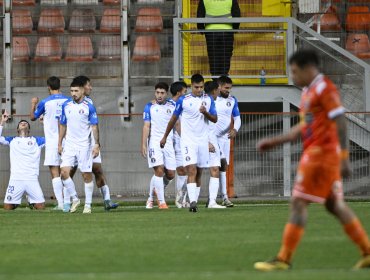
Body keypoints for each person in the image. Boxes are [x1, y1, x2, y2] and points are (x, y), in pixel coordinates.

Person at [254, 50, 370, 271]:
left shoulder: (324, 88)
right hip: (319, 154)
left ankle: (283, 259)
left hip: (320, 155)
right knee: (335, 205)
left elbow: (341, 121)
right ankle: (367, 251)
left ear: (308, 68)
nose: (293, 77)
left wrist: (344, 157)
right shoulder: (309, 91)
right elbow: (305, 126)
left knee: (298, 202)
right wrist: (275, 140)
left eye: (295, 71)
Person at [160, 74, 217, 212]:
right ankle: (192, 203)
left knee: (199, 173)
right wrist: (165, 137)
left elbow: (214, 119)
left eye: (201, 87)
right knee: (191, 169)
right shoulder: (183, 100)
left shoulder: (208, 100)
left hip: (202, 141)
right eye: (196, 87)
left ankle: (194, 200)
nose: (199, 89)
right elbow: (173, 119)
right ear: (191, 86)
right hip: (188, 141)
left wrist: (205, 113)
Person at [68, 76, 118, 211]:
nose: (91, 87)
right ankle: (68, 202)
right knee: (69, 171)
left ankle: (107, 200)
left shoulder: (88, 102)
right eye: (89, 85)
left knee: (97, 169)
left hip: (89, 144)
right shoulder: (71, 103)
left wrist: (96, 144)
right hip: (75, 144)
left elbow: (93, 125)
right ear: (83, 88)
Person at [58, 79, 100, 214]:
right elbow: (63, 125)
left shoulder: (89, 106)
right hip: (69, 144)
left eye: (76, 91)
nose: (73, 93)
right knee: (63, 173)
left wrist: (96, 144)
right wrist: (59, 143)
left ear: (82, 91)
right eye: (71, 91)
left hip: (84, 145)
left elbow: (94, 126)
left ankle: (88, 205)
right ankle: (75, 199)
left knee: (86, 175)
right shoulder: (66, 105)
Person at [30, 76, 69, 210]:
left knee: (55, 172)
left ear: (48, 87)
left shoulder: (45, 102)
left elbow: (33, 117)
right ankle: (70, 201)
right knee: (67, 171)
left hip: (52, 141)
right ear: (60, 86)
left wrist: (34, 103)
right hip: (68, 140)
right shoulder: (68, 100)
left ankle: (61, 204)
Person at [0, 112, 46, 210]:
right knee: (7, 208)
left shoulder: (37, 141)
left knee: (40, 207)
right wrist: (2, 122)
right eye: (21, 123)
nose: (23, 123)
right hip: (16, 178)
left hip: (32, 178)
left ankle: (31, 201)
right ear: (17, 129)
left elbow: (52, 139)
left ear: (29, 129)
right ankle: (17, 202)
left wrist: (44, 123)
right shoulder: (12, 140)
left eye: (25, 123)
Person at [142, 82, 176, 209]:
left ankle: (152, 195)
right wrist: (144, 144)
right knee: (159, 170)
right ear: (154, 92)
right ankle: (161, 202)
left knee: (171, 174)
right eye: (157, 92)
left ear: (166, 94)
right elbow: (146, 126)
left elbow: (177, 124)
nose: (159, 95)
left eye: (162, 93)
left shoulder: (172, 105)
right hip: (155, 143)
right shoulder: (149, 106)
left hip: (169, 143)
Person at [214, 75, 241, 207]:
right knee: (218, 164)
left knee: (223, 167)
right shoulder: (211, 99)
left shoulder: (232, 100)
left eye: (230, 88)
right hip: (212, 138)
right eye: (226, 88)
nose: (228, 90)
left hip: (225, 138)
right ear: (219, 86)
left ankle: (223, 197)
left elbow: (237, 118)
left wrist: (235, 129)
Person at [197, 0, 241, 78]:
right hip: (227, 31)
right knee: (226, 55)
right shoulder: (231, 0)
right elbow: (237, 15)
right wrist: (235, 29)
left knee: (213, 55)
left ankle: (215, 78)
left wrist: (201, 29)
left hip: (211, 32)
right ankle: (224, 77)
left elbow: (200, 16)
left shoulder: (204, 1)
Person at [204, 80, 226, 209]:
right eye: (218, 89)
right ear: (214, 91)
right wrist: (207, 142)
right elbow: (199, 125)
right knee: (197, 171)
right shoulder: (207, 102)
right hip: (206, 140)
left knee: (214, 168)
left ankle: (211, 201)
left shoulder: (210, 101)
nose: (220, 91)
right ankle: (210, 201)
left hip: (210, 139)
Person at [169, 81, 189, 208]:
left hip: (181, 141)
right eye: (184, 92)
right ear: (178, 92)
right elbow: (176, 124)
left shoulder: (183, 104)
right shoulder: (169, 104)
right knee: (171, 172)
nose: (186, 94)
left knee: (184, 170)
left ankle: (182, 199)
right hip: (173, 142)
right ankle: (154, 195)